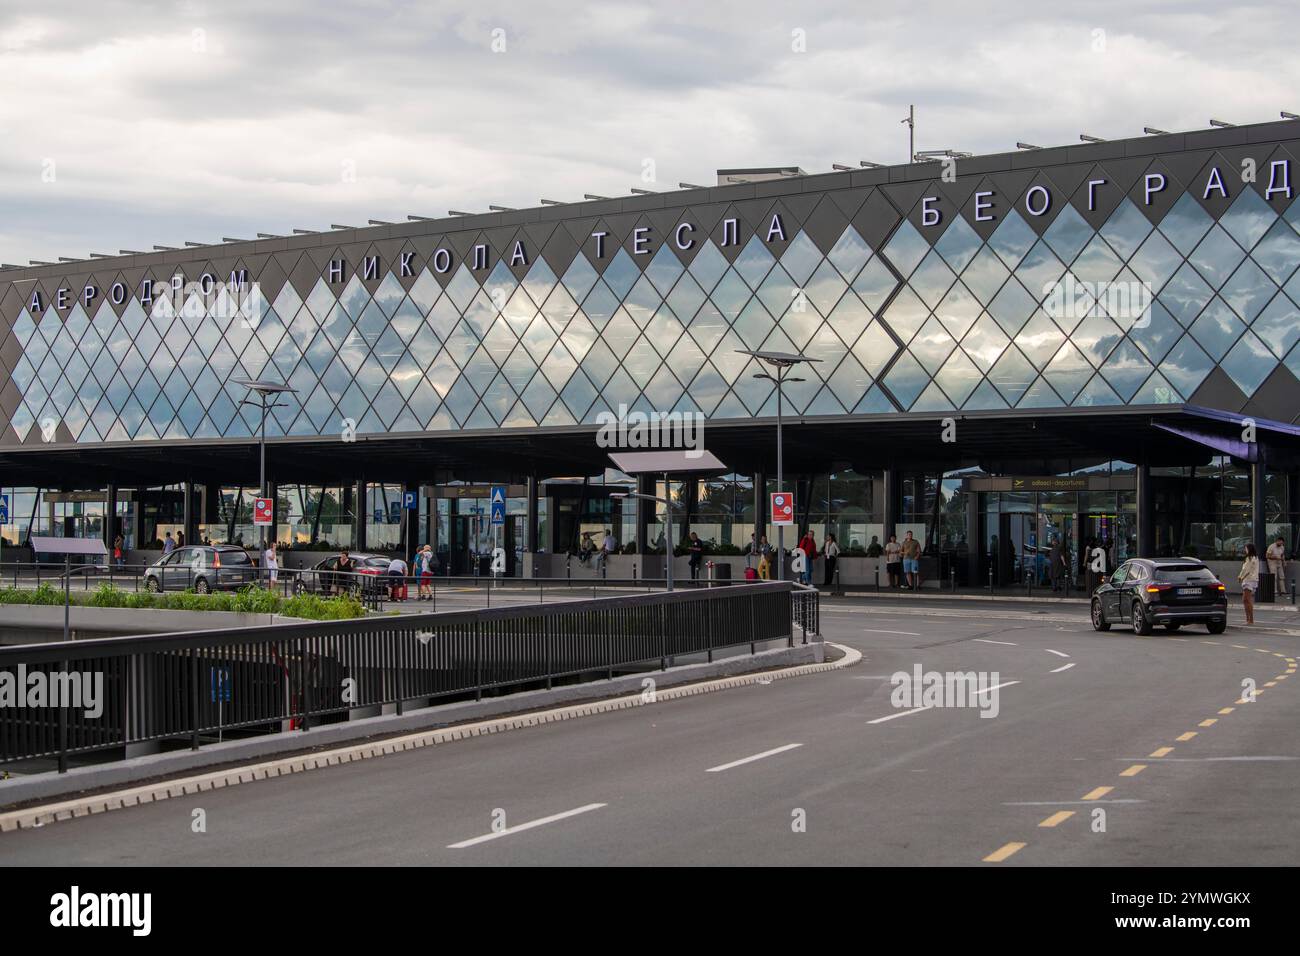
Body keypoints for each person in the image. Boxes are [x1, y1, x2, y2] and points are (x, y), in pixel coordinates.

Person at [1239, 543, 1260, 625]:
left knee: (1247, 600)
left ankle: (1250, 620)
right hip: (1252, 579)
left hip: (1249, 580)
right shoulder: (1255, 558)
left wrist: (1240, 577)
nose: (1245, 550)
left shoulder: (1250, 558)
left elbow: (1246, 570)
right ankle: (1248, 619)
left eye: (1246, 548)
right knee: (1246, 600)